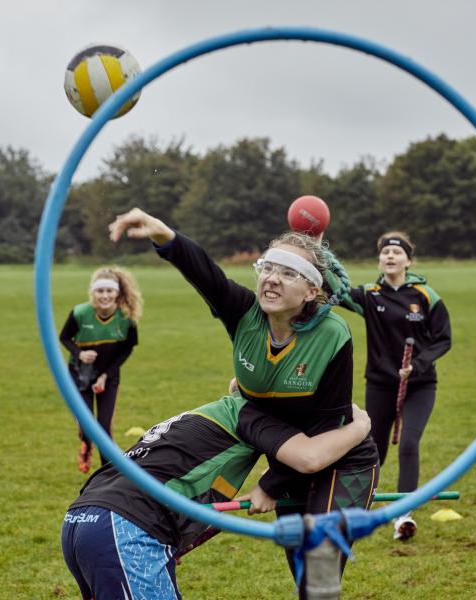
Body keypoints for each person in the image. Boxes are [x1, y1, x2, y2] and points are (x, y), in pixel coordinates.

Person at [108, 208, 379, 590]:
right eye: (269, 268)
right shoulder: (245, 313)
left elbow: (325, 427)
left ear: (312, 291)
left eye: (289, 273)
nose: (272, 279)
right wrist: (165, 236)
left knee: (319, 567)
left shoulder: (333, 333)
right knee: (305, 574)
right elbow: (206, 274)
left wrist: (271, 484)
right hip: (289, 455)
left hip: (341, 459)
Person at [61, 394, 372, 600]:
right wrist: (360, 427)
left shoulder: (209, 416)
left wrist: (271, 482)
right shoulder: (253, 415)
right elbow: (311, 454)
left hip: (82, 521)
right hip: (124, 528)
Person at [346, 231, 452, 541]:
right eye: (385, 252)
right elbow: (334, 292)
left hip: (419, 385)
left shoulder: (426, 295)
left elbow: (443, 339)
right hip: (379, 385)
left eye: (397, 252)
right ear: (379, 259)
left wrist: (416, 365)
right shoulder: (369, 294)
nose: (390, 256)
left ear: (408, 259)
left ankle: (403, 515)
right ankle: (363, 509)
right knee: (373, 449)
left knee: (408, 444)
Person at [59, 267, 141, 473]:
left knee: (103, 429)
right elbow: (64, 338)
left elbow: (127, 349)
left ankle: (107, 474)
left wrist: (105, 376)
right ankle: (86, 446)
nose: (104, 296)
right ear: (92, 293)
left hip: (109, 375)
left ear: (117, 293)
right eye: (100, 291)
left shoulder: (126, 318)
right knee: (87, 427)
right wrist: (80, 354)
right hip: (80, 375)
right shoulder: (80, 313)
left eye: (109, 291)